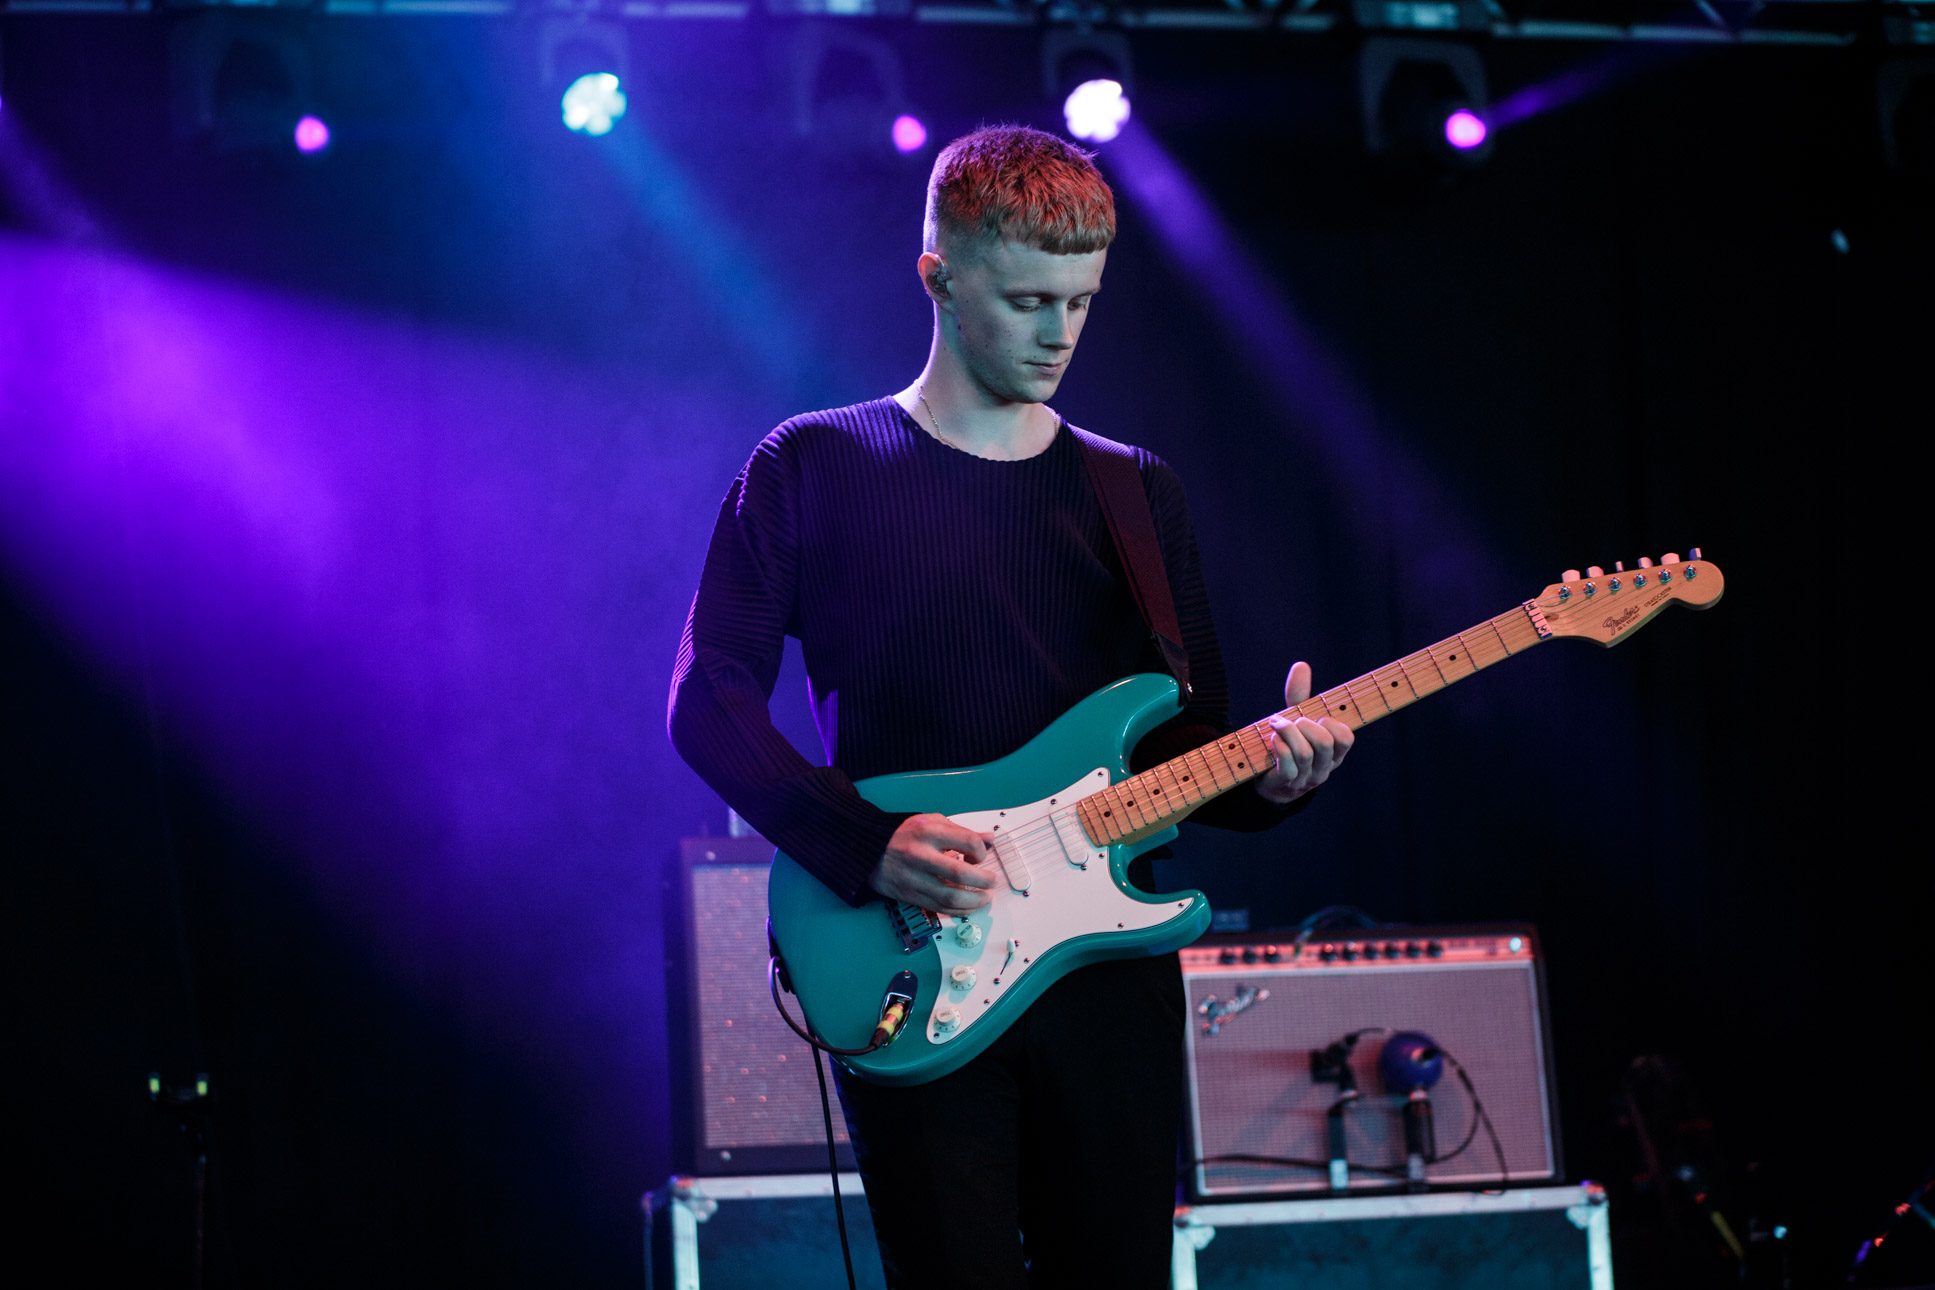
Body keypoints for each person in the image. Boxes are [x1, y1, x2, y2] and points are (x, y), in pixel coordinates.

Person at [668, 125, 1354, 1288]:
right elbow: (708, 697)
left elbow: (1185, 749)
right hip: (921, 958)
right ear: (937, 275)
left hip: (1109, 976)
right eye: (1031, 300)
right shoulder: (813, 464)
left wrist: (1278, 778)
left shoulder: (1135, 490)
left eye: (1081, 304)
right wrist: (865, 842)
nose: (1060, 334)